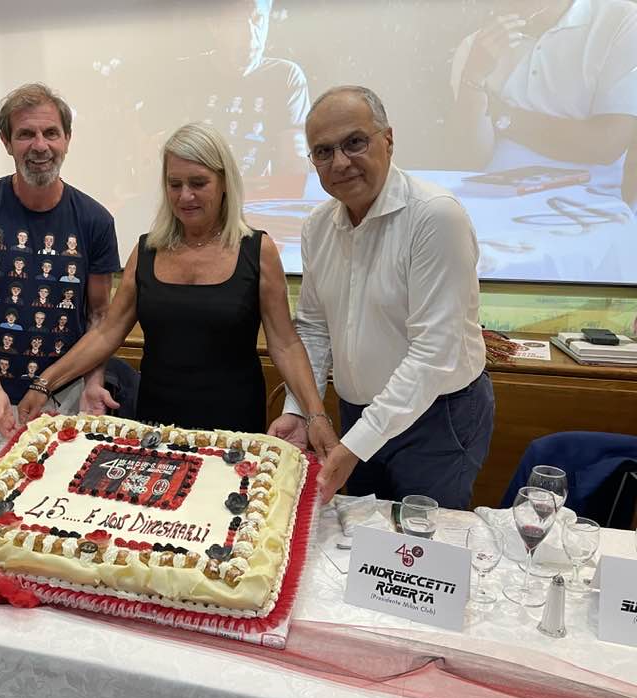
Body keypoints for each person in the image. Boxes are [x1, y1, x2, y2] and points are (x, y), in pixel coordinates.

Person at [18, 122, 336, 454]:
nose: (185, 196)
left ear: (224, 182)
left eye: (198, 183)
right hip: (157, 422)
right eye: (175, 184)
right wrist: (45, 383)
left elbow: (285, 344)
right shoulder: (146, 251)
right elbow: (105, 334)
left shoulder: (257, 250)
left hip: (234, 426)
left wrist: (315, 415)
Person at [269, 86, 494, 510]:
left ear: (388, 140)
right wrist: (301, 411)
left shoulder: (435, 216)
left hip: (437, 419)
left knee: (421, 543)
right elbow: (314, 330)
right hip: (357, 413)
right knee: (361, 538)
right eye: (323, 151)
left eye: (354, 142)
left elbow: (432, 354)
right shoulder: (317, 225)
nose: (340, 162)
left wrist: (356, 444)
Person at [0, 82, 121, 442]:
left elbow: (100, 317)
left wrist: (94, 382)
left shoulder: (95, 220)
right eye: (26, 134)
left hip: (65, 394)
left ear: (67, 139)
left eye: (51, 133)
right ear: (6, 142)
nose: (40, 146)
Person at [450, 0, 637, 207]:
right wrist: (474, 76)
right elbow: (469, 161)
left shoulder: (621, 19)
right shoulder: (476, 48)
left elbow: (606, 143)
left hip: (585, 205)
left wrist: (505, 118)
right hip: (487, 200)